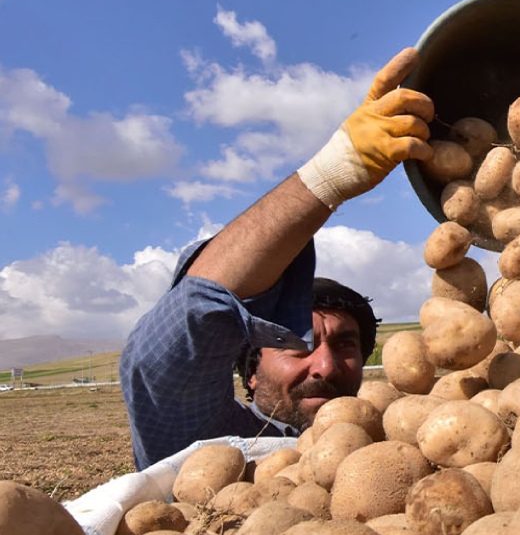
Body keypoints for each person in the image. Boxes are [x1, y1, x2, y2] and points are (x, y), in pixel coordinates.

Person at [120, 47, 435, 469]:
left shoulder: (393, 445)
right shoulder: (215, 445)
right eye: (298, 345)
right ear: (251, 373)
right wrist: (332, 174)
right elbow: (165, 354)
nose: (325, 366)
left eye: (345, 345)